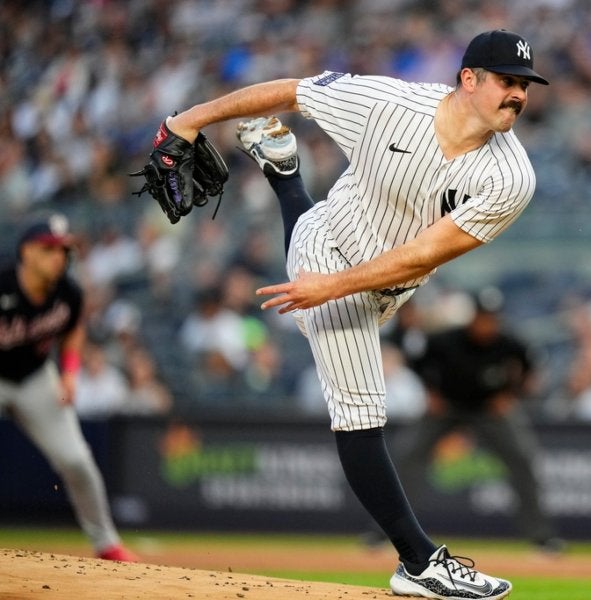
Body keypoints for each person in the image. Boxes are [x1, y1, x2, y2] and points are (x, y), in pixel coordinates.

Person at [157, 29, 549, 600]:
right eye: (507, 82)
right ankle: (418, 562)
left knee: (329, 302)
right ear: (469, 79)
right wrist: (186, 121)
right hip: (330, 250)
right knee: (360, 409)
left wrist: (331, 287)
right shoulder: (387, 104)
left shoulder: (511, 178)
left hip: (379, 286)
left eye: (525, 86)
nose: (518, 95)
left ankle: (286, 176)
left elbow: (421, 254)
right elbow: (292, 90)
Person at [0, 213, 137, 562]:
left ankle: (107, 544)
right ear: (26, 252)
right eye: (48, 249)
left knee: (76, 460)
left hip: (34, 377)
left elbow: (73, 330)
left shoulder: (69, 293)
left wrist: (70, 372)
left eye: (62, 250)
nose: (58, 257)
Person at [392, 287, 563, 552]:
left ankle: (541, 536)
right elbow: (417, 362)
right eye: (483, 317)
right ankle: (386, 532)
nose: (488, 324)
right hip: (448, 407)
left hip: (488, 410)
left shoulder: (509, 343)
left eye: (493, 318)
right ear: (472, 317)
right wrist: (431, 393)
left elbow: (531, 371)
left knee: (522, 457)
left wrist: (510, 394)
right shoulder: (446, 340)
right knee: (406, 455)